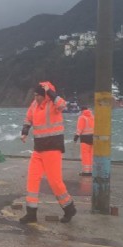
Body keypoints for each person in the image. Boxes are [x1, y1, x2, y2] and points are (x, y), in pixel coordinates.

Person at [19, 81, 77, 224]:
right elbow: (28, 118)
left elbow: (63, 105)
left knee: (55, 182)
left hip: (52, 148)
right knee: (32, 179)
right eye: (34, 95)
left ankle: (69, 208)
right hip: (38, 149)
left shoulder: (54, 103)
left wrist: (50, 93)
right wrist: (25, 131)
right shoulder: (34, 104)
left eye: (38, 95)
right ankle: (31, 213)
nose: (36, 97)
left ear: (45, 95)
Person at [74, 106, 95, 177]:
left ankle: (86, 172)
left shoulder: (82, 117)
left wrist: (76, 137)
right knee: (91, 154)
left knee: (85, 155)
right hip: (93, 138)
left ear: (81, 111)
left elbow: (80, 128)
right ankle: (92, 170)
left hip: (85, 139)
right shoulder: (92, 117)